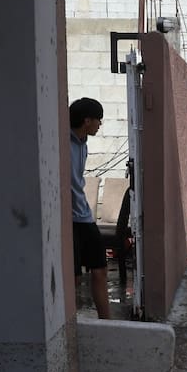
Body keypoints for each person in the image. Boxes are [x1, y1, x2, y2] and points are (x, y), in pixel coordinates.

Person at [69, 97, 110, 319]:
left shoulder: (83, 143)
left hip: (84, 216)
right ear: (87, 121)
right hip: (68, 220)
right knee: (73, 278)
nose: (100, 125)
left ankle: (107, 323)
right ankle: (70, 324)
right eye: (98, 120)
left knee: (100, 270)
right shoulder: (63, 142)